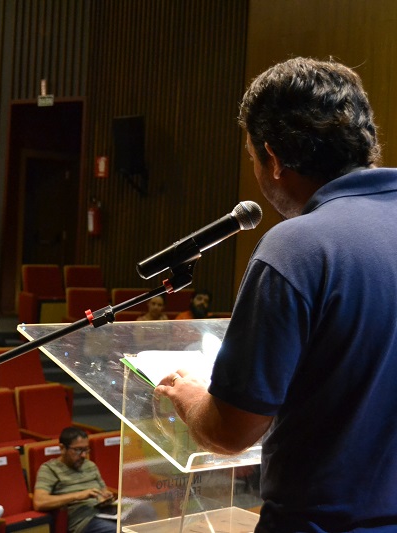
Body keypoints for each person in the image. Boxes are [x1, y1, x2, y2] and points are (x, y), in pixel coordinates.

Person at [154, 57, 397, 532]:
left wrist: (187, 396)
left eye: (252, 159)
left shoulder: (298, 246)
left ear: (275, 158)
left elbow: (231, 430)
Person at [32, 427, 116, 533]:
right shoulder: (49, 469)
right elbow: (39, 502)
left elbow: (104, 491)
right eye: (78, 450)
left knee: (139, 518)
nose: (83, 455)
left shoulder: (90, 465)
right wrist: (77, 496)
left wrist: (106, 497)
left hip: (106, 514)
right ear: (62, 448)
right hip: (84, 521)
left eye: (86, 449)